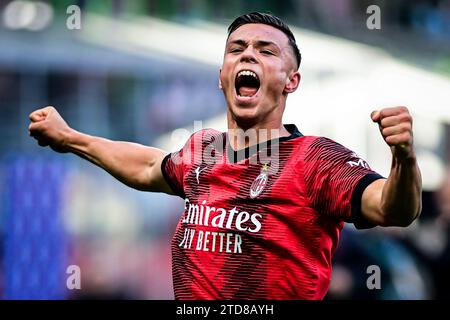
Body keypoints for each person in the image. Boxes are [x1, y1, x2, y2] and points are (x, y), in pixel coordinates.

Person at [28, 12, 422, 300]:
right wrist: (70, 137)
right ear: (222, 75)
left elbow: (394, 209)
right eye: (238, 48)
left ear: (291, 81)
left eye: (266, 51)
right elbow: (149, 165)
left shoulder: (315, 159)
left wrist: (403, 159)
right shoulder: (203, 148)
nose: (248, 54)